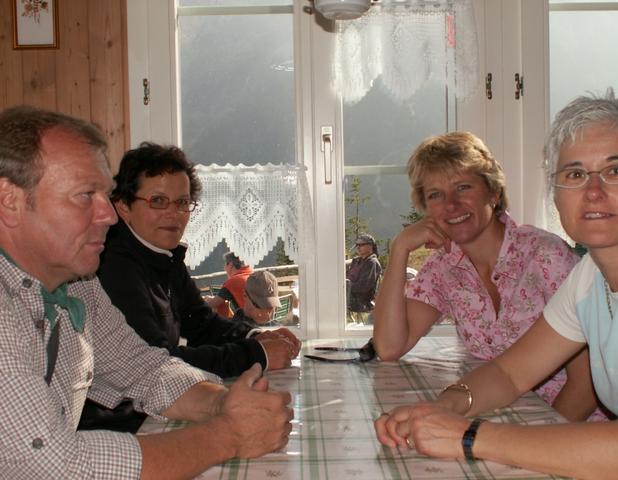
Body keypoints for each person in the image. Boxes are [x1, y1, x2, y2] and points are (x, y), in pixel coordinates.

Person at [0, 105, 293, 478]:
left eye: (105, 195)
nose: (109, 215)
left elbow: (143, 368)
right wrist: (229, 435)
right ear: (10, 201)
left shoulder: (78, 286)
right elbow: (52, 464)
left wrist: (223, 405)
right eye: (86, 195)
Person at [374, 91, 618, 478]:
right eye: (575, 175)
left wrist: (469, 437)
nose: (593, 191)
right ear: (556, 194)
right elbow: (509, 374)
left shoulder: (548, 255)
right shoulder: (589, 278)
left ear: (494, 192)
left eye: (617, 171)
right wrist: (440, 409)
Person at [372, 131, 599, 421]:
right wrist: (399, 249)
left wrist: (536, 441)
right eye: (435, 195)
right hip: (506, 415)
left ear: (493, 192)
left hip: (575, 426)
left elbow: (587, 386)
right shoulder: (444, 266)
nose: (451, 204)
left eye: (463, 187)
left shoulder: (545, 255)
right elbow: (389, 347)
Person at [346, 233, 382, 324]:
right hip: (351, 300)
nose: (358, 247)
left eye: (361, 245)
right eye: (357, 245)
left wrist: (346, 286)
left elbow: (364, 287)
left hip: (362, 305)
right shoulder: (357, 261)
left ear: (371, 246)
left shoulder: (372, 263)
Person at [204, 251, 253, 317]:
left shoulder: (233, 282)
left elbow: (212, 304)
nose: (224, 268)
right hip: (264, 318)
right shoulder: (252, 275)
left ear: (230, 265)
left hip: (248, 320)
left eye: (225, 265)